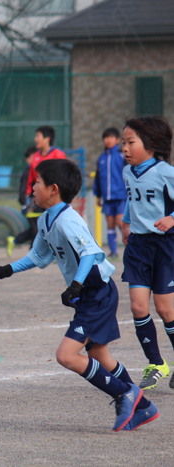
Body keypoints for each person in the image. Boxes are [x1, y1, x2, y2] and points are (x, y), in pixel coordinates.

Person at [0, 158, 158, 431]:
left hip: (96, 291)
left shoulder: (68, 219)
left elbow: (90, 252)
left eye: (36, 183)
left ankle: (125, 394)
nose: (32, 189)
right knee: (100, 355)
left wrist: (76, 284)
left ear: (53, 189)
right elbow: (37, 257)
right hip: (89, 293)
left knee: (66, 355)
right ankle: (144, 407)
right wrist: (5, 270)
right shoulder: (45, 220)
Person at [119, 115, 174, 391]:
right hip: (139, 247)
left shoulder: (166, 172)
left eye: (131, 142)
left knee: (165, 309)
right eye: (123, 142)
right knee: (139, 306)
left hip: (165, 247)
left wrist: (172, 218)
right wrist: (126, 223)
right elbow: (132, 201)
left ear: (150, 144)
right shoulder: (127, 172)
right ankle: (156, 364)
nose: (125, 148)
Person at [93, 127, 127, 259]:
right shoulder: (101, 158)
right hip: (107, 197)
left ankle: (129, 246)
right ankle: (113, 252)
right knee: (109, 222)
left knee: (120, 221)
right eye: (106, 137)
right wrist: (98, 195)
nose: (108, 140)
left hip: (120, 195)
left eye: (111, 137)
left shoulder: (121, 156)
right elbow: (97, 178)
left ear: (118, 140)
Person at [7, 146, 37, 257]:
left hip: (35, 203)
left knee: (36, 228)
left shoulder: (34, 170)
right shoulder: (28, 170)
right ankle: (33, 253)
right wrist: (25, 203)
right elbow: (23, 188)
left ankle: (14, 241)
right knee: (36, 229)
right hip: (29, 204)